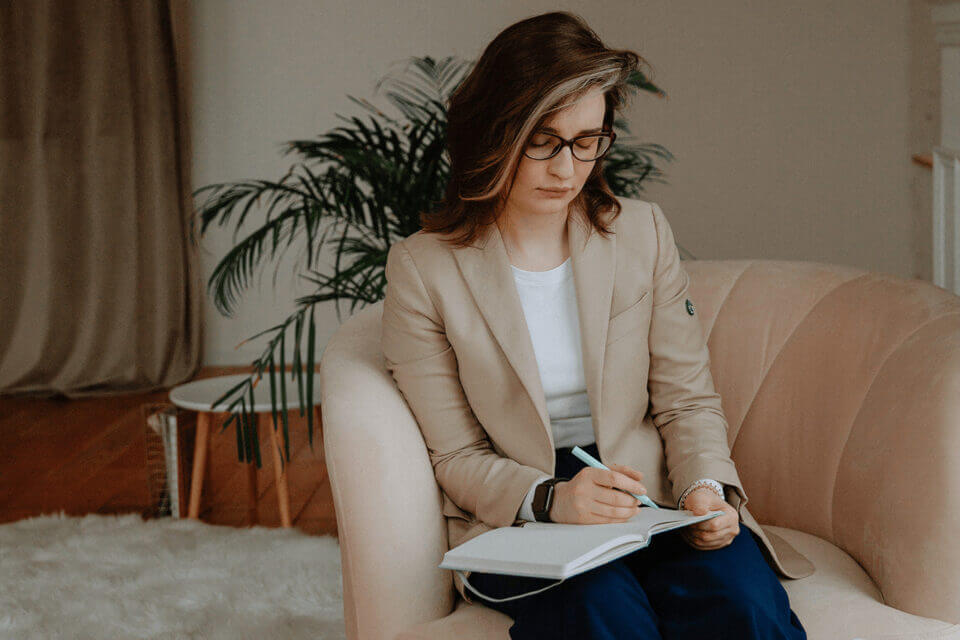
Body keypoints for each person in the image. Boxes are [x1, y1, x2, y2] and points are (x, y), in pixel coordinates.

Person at [381, 10, 812, 639]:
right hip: (525, 518)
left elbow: (687, 400)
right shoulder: (424, 268)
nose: (567, 168)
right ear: (493, 133)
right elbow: (456, 453)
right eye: (544, 141)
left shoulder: (641, 232)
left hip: (651, 504)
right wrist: (554, 499)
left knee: (746, 605)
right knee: (599, 609)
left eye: (588, 141)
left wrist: (706, 488)